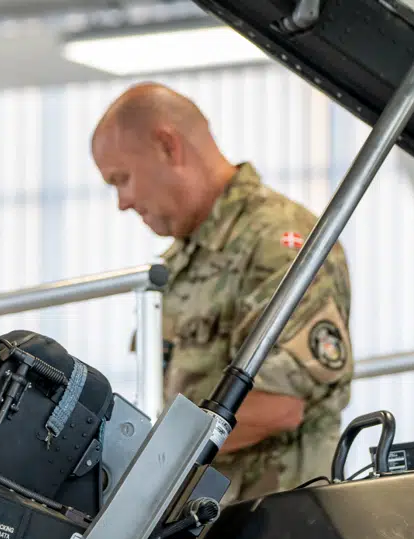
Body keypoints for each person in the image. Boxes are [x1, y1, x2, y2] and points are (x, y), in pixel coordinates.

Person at [92, 81, 354, 503]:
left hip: (274, 520)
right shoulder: (184, 258)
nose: (123, 202)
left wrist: (151, 463)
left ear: (167, 145)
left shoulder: (278, 241)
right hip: (208, 518)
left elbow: (277, 403)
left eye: (122, 179)